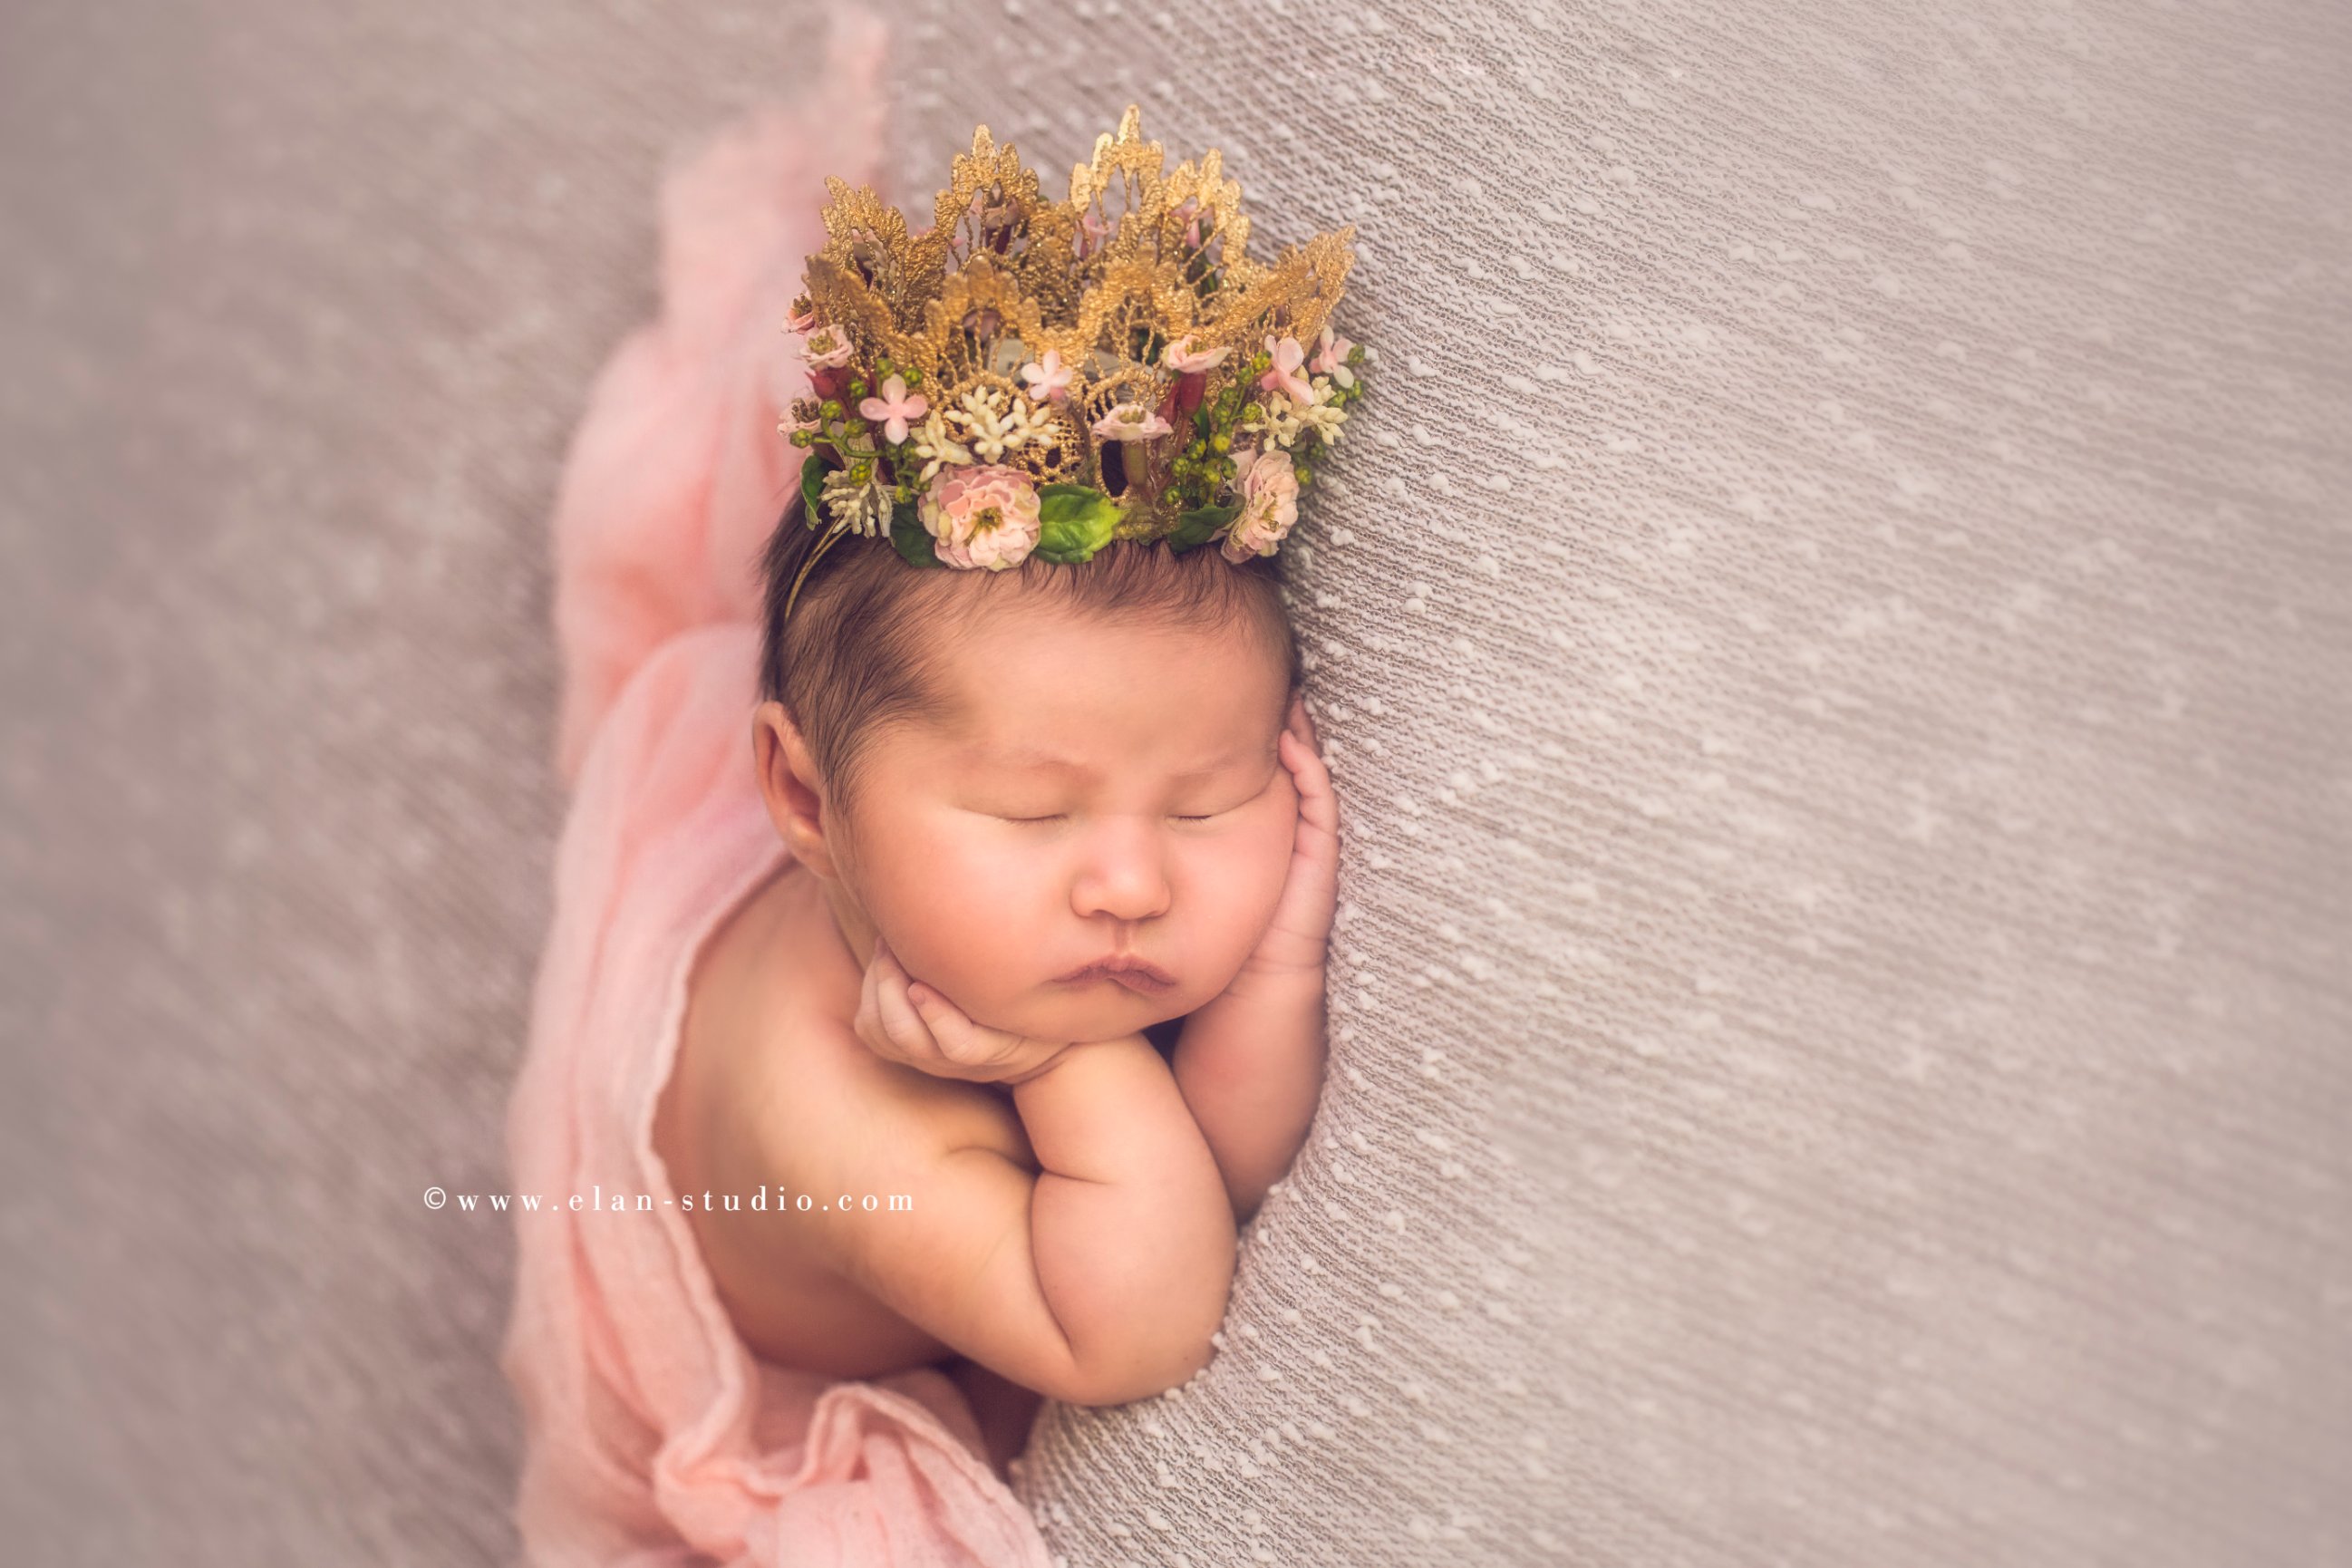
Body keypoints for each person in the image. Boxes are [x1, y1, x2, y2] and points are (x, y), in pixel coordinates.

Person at [498, 51, 1370, 1565]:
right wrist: (1061, 1057)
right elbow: (1142, 1314)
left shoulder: (1019, 912)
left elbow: (1218, 1158)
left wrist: (1280, 960)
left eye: (1212, 799)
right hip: (730, 1243)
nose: (1127, 882)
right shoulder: (830, 1112)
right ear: (803, 798)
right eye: (1036, 816)